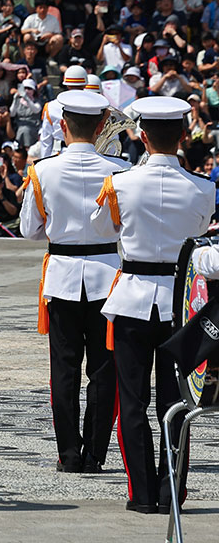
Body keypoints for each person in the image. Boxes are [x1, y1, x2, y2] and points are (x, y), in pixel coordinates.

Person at [91, 96, 214, 515]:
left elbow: (103, 229)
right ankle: (171, 491)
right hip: (182, 305)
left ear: (142, 136)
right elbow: (199, 236)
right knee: (177, 402)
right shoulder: (205, 187)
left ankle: (141, 493)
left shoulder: (120, 182)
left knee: (132, 400)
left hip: (132, 298)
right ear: (182, 136)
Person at [19, 90, 128, 475]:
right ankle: (95, 453)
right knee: (103, 369)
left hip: (62, 277)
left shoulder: (42, 170)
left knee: (63, 370)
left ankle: (69, 453)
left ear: (62, 125)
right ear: (101, 126)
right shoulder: (121, 169)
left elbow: (29, 230)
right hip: (108, 278)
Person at [36, 65, 88, 157]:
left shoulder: (51, 106)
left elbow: (46, 140)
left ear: (66, 83)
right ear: (85, 84)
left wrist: (44, 161)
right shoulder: (95, 105)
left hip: (59, 154)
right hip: (87, 155)